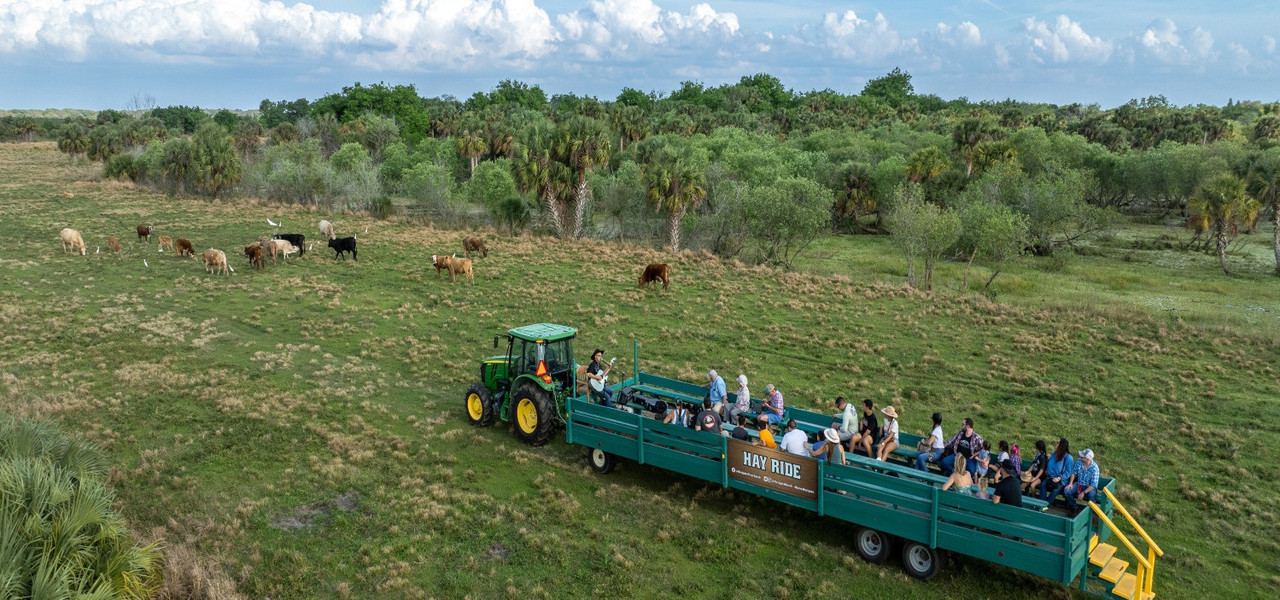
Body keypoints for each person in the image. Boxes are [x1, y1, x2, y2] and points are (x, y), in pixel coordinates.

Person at [1062, 448, 1100, 516]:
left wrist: (1083, 493)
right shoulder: (1079, 461)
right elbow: (1074, 473)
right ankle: (1075, 508)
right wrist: (1070, 483)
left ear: (1087, 459)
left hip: (1089, 488)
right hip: (1079, 485)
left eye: (1082, 457)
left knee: (1092, 495)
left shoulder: (1095, 468)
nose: (1080, 457)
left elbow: (1093, 485)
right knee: (1067, 491)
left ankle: (1090, 513)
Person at [1039, 438, 1075, 504]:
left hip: (1061, 481)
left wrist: (1059, 478)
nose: (1056, 444)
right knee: (1042, 485)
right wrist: (1047, 470)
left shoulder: (1068, 458)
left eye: (1058, 443)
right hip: (1050, 477)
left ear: (1062, 445)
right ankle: (1041, 502)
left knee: (1054, 491)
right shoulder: (1054, 454)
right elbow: (1050, 464)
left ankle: (1046, 505)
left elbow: (1068, 472)